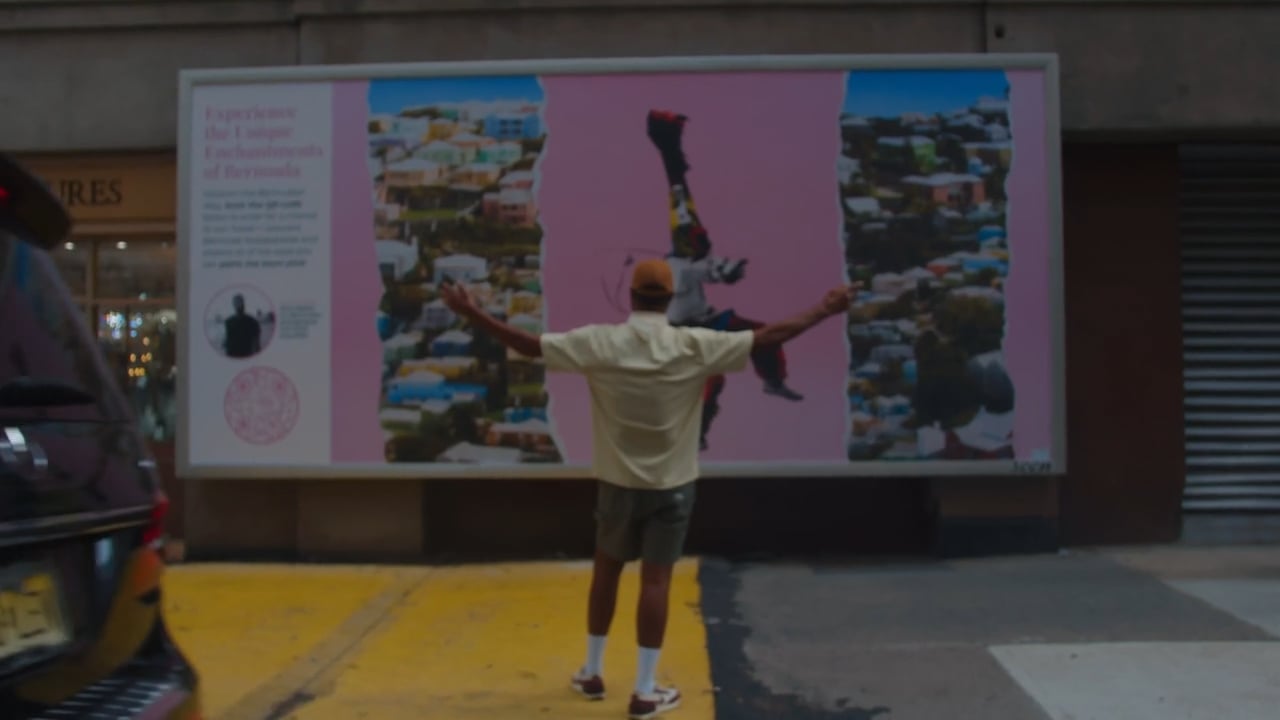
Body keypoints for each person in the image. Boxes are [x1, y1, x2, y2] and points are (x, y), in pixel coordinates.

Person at [440, 260, 853, 719]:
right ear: (671, 296)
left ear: (632, 296)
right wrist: (824, 309)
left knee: (606, 572)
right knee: (656, 581)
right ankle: (644, 689)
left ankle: (592, 673)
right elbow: (769, 337)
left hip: (618, 484)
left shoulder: (601, 342)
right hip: (673, 484)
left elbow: (528, 346)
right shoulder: (693, 344)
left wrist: (471, 312)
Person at [646, 109, 804, 452]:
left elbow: (681, 197)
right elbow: (714, 270)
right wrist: (730, 270)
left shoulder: (692, 255)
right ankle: (698, 432)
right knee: (710, 381)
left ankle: (773, 382)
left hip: (708, 321)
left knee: (763, 335)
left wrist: (670, 147)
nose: (704, 246)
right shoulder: (681, 265)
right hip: (685, 334)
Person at [223, 293, 261, 358]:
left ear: (243, 304)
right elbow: (227, 340)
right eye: (236, 303)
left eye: (239, 302)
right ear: (233, 305)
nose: (238, 305)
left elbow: (257, 344)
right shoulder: (228, 321)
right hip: (232, 355)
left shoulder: (252, 321)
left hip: (246, 356)